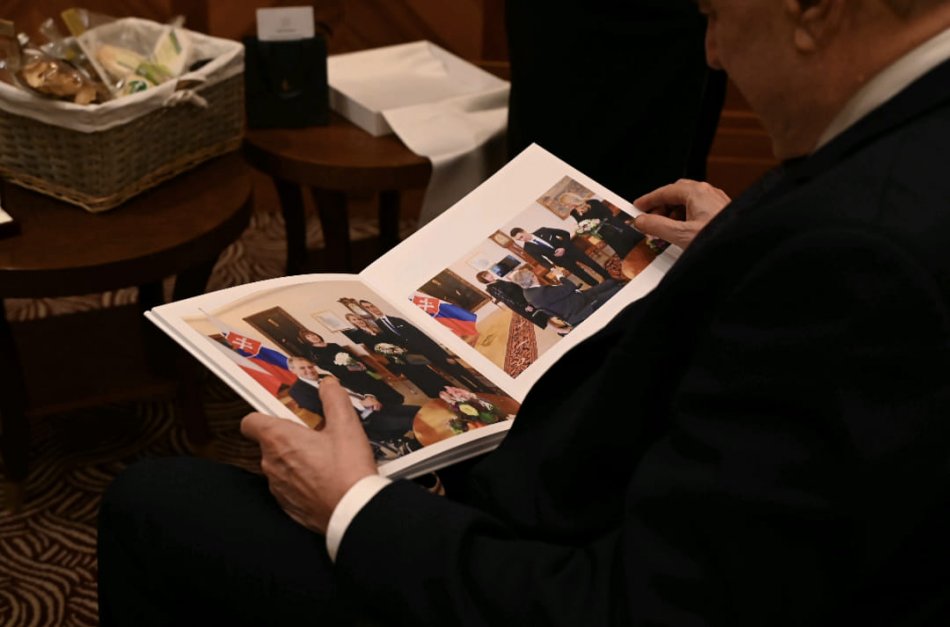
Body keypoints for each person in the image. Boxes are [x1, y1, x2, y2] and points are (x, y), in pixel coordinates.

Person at [98, 2, 950, 626]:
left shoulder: (859, 260)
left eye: (717, 14)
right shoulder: (906, 145)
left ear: (812, 10)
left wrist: (352, 505)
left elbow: (640, 606)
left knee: (154, 504)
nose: (712, 52)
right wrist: (736, 239)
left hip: (563, 554)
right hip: (619, 474)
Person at [285, 357, 419, 446]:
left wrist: (369, 397)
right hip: (362, 421)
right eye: (303, 368)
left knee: (419, 411)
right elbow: (328, 412)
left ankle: (413, 443)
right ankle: (414, 446)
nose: (309, 370)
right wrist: (362, 406)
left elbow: (354, 389)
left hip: (376, 408)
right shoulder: (298, 391)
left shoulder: (325, 376)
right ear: (292, 370)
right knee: (413, 422)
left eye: (310, 366)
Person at [476, 269, 622, 329]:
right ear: (533, 277)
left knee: (609, 283)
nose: (489, 276)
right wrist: (560, 276)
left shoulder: (528, 293)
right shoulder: (542, 292)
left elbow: (564, 292)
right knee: (616, 289)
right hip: (581, 307)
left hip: (575, 299)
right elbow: (570, 286)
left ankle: (616, 283)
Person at [297, 329, 399, 405]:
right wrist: (348, 367)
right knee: (370, 391)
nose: (313, 337)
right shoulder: (315, 353)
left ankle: (396, 401)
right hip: (348, 375)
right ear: (307, 340)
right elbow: (326, 367)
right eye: (309, 337)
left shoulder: (333, 345)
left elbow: (352, 356)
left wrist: (360, 364)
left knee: (379, 384)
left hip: (359, 368)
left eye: (313, 334)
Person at [510, 225, 610, 287]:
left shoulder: (542, 230)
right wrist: (552, 268)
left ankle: (608, 277)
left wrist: (563, 248)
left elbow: (565, 234)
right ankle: (598, 287)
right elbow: (541, 260)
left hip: (570, 250)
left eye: (521, 236)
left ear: (524, 231)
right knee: (580, 273)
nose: (522, 240)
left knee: (591, 263)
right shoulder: (528, 248)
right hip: (560, 260)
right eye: (519, 239)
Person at [562, 192, 644, 257]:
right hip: (605, 234)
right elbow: (583, 224)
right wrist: (584, 229)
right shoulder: (574, 213)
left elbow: (609, 213)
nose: (566, 206)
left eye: (566, 204)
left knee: (640, 244)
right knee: (627, 253)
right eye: (565, 205)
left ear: (571, 201)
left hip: (615, 226)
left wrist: (598, 221)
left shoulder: (593, 202)